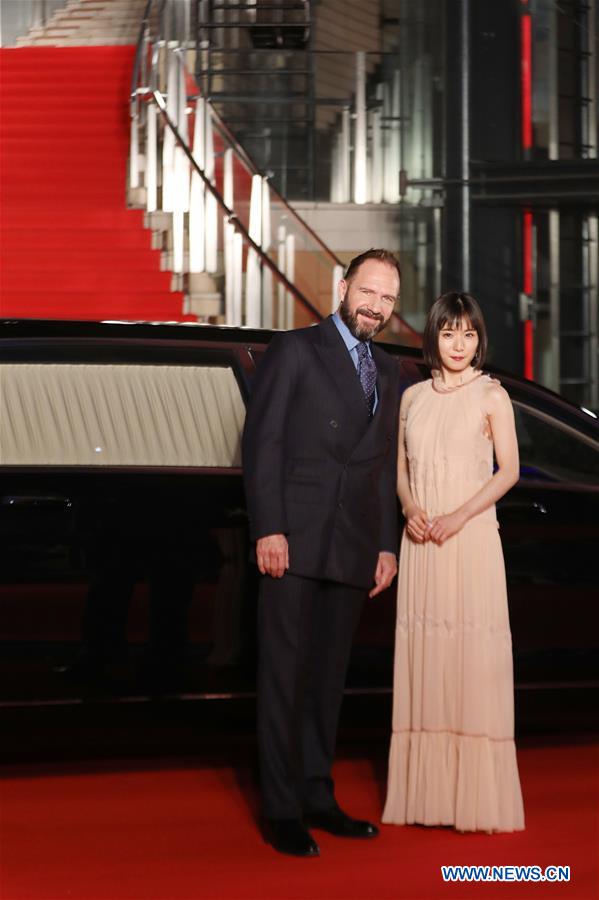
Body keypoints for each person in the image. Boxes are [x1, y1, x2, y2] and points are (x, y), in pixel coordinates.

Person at [242, 249, 401, 857]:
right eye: (369, 292)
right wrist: (269, 529)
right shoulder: (296, 350)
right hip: (294, 540)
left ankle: (317, 794)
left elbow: (381, 467)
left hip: (354, 543)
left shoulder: (388, 370)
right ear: (342, 287)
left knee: (327, 680)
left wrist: (385, 544)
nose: (377, 307)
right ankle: (281, 809)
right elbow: (263, 444)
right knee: (283, 677)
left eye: (388, 298)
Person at [382, 291, 525, 833]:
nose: (459, 344)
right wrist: (412, 508)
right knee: (426, 659)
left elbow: (508, 470)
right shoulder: (412, 398)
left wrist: (458, 516)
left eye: (468, 334)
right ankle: (426, 797)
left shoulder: (492, 395)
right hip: (422, 542)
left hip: (469, 542)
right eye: (448, 333)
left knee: (470, 659)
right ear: (433, 338)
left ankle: (475, 799)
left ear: (478, 339)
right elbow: (399, 471)